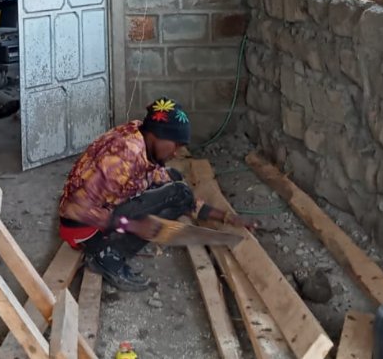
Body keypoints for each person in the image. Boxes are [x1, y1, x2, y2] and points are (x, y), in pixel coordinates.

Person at [58, 98, 257, 291]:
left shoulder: (141, 135)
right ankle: (108, 255)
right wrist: (133, 225)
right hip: (83, 229)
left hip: (102, 209)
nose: (178, 153)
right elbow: (73, 209)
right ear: (158, 135)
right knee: (175, 193)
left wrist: (227, 217)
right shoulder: (123, 158)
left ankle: (115, 242)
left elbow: (171, 185)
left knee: (175, 181)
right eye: (176, 145)